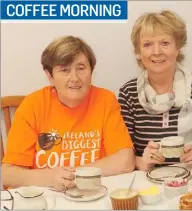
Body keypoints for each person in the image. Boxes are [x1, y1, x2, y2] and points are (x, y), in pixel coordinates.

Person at [1, 36, 135, 191]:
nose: (75, 78)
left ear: (91, 71)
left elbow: (126, 160)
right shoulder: (32, 105)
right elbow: (8, 173)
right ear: (50, 76)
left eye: (81, 68)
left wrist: (74, 174)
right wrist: (51, 177)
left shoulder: (105, 100)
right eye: (65, 70)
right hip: (46, 197)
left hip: (93, 194)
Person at [118, 10, 192, 171]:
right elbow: (123, 151)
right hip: (147, 183)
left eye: (165, 43)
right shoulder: (128, 93)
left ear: (178, 48)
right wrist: (142, 161)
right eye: (148, 44)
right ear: (138, 52)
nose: (157, 52)